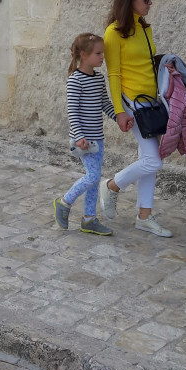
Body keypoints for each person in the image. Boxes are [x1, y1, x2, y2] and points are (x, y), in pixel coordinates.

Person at [99, 0, 173, 238]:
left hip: (152, 104)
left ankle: (144, 216)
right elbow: (114, 74)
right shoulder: (113, 33)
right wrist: (120, 111)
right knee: (153, 161)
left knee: (149, 161)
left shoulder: (144, 28)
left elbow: (148, 65)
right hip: (133, 106)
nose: (150, 2)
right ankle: (111, 185)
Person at [54, 33, 115, 236]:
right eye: (98, 53)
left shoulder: (98, 78)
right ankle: (64, 202)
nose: (102, 57)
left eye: (102, 53)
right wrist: (79, 136)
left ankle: (89, 219)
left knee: (94, 179)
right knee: (93, 176)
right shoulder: (75, 80)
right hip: (83, 141)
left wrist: (119, 117)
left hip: (97, 139)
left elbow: (105, 103)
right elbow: (72, 111)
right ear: (83, 54)